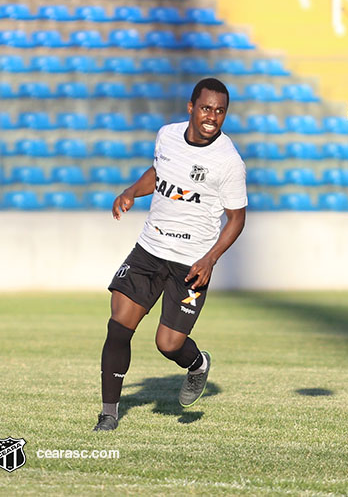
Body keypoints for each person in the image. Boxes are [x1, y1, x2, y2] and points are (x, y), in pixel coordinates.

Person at [93, 78, 247, 431]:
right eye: (206, 108)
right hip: (149, 249)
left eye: (220, 111)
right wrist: (132, 191)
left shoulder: (228, 161)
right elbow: (159, 172)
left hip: (192, 262)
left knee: (168, 344)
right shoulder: (167, 136)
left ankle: (196, 364)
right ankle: (109, 414)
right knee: (118, 327)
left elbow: (237, 220)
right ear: (191, 108)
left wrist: (210, 259)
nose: (212, 117)